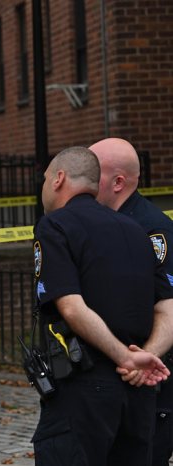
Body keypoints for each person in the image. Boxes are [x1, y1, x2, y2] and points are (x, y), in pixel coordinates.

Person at [31, 146, 173, 465]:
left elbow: (70, 306)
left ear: (59, 179)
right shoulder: (138, 230)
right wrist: (142, 357)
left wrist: (124, 357)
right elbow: (169, 307)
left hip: (83, 389)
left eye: (44, 180)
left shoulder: (55, 226)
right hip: (137, 394)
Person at [90, 137, 173, 466]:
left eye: (92, 173)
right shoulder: (101, 224)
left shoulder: (151, 229)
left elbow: (167, 302)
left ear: (118, 182)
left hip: (154, 376)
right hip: (121, 371)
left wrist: (144, 359)